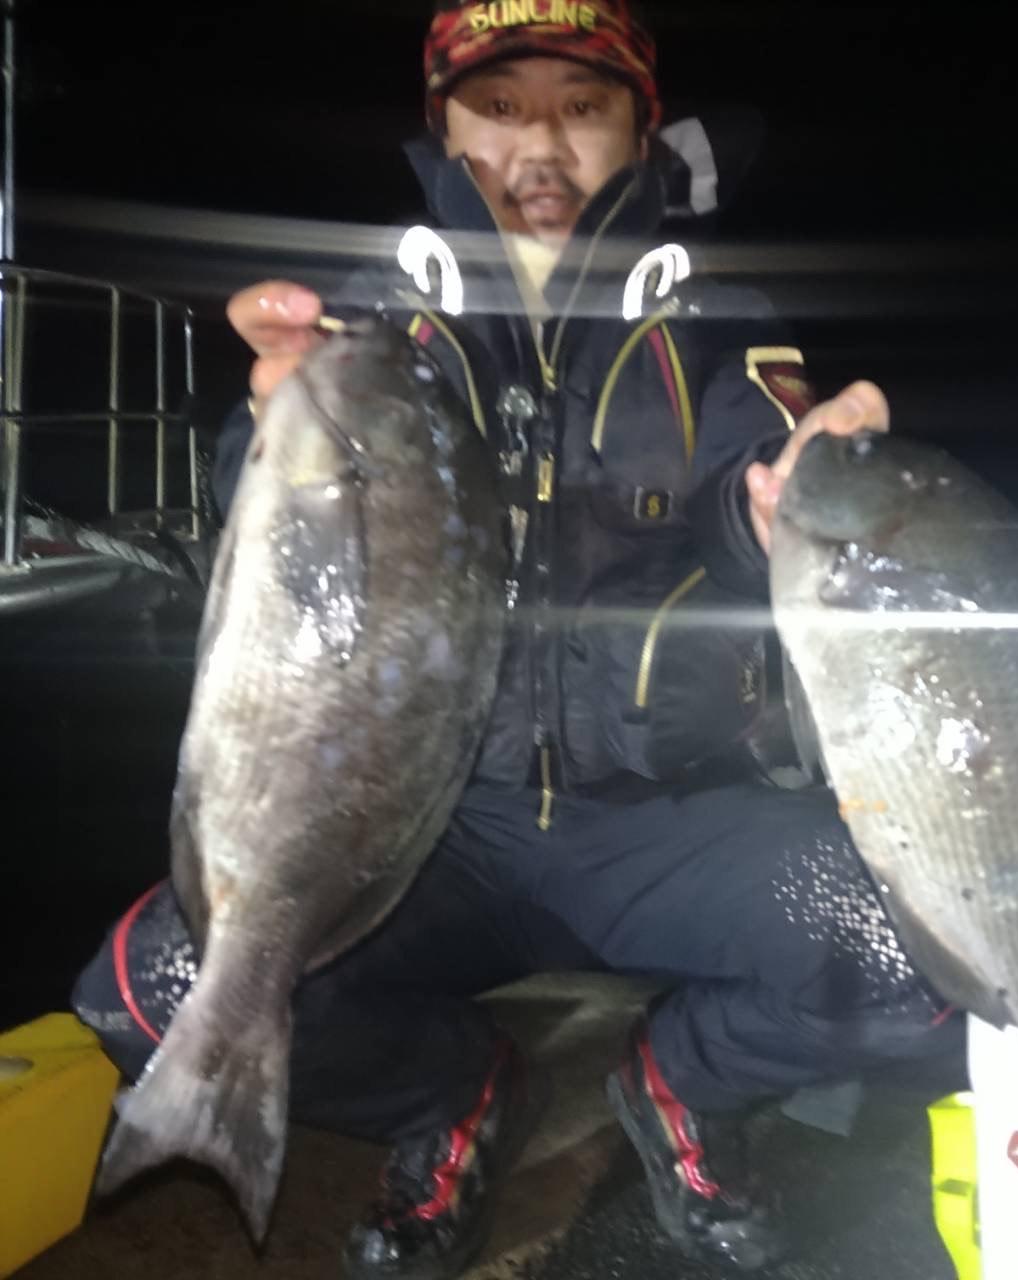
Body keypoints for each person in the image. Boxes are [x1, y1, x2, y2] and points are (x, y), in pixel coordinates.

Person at [72, 3, 957, 1275]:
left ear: (640, 129)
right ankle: (452, 1092)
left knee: (925, 957)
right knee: (155, 990)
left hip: (666, 820)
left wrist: (783, 497)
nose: (539, 144)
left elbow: (746, 478)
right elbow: (262, 530)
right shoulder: (370, 316)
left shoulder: (719, 314)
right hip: (431, 827)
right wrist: (273, 430)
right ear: (443, 128)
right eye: (498, 106)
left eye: (581, 107)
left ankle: (683, 1078)